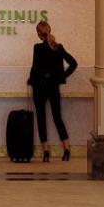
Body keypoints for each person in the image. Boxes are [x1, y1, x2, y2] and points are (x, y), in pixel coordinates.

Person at [27, 20, 78, 162]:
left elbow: (35, 67)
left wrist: (30, 81)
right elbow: (74, 64)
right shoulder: (58, 47)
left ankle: (46, 152)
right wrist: (62, 76)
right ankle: (66, 148)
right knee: (57, 117)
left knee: (41, 118)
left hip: (39, 87)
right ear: (49, 30)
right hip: (53, 87)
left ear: (39, 34)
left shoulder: (37, 48)